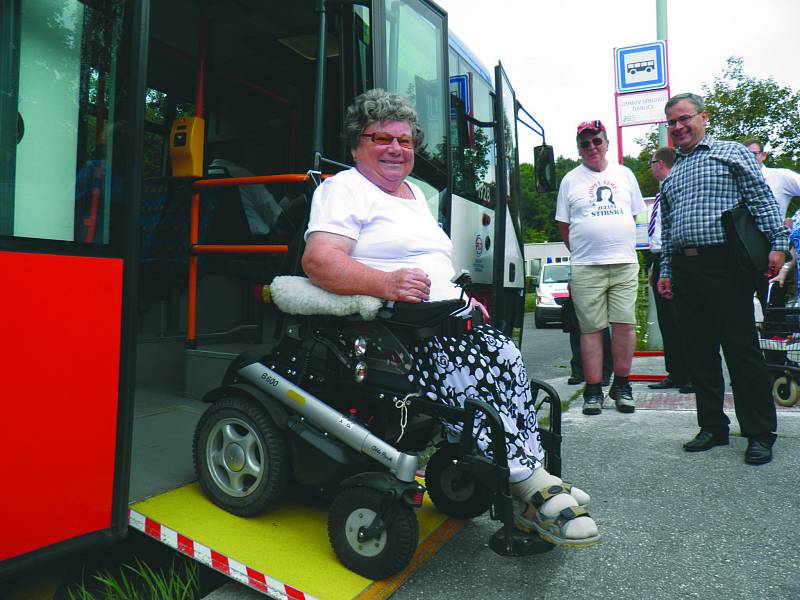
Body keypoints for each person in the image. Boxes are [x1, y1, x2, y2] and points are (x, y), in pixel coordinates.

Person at [301, 89, 600, 547]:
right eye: (381, 138)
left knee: (506, 360)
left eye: (405, 141)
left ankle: (531, 472)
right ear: (356, 145)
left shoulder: (415, 195)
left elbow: (432, 261)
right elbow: (319, 262)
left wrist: (459, 296)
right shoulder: (342, 190)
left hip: (444, 315)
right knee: (473, 380)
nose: (396, 149)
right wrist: (386, 284)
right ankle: (525, 484)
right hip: (400, 329)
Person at [657, 92, 787, 465]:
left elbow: (761, 199)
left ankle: (760, 432)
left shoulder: (730, 153)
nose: (679, 127)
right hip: (685, 268)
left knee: (740, 349)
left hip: (726, 265)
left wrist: (778, 244)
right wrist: (666, 270)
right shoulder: (672, 175)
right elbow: (668, 230)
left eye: (685, 119)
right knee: (699, 353)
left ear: (703, 117)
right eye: (672, 123)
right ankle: (713, 426)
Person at [555, 120, 646, 415]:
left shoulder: (625, 174)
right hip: (586, 266)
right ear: (579, 148)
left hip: (623, 263)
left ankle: (622, 385)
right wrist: (585, 249)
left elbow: (636, 215)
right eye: (585, 143)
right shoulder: (570, 180)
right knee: (591, 330)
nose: (592, 147)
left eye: (597, 141)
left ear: (607, 143)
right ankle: (593, 390)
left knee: (624, 325)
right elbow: (563, 225)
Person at [646, 147, 694, 394]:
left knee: (682, 319)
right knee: (667, 320)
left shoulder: (679, 188)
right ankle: (676, 372)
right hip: (658, 258)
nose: (650, 166)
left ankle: (693, 375)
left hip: (674, 258)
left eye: (652, 162)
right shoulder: (661, 192)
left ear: (661, 163)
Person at [743, 138, 800, 313]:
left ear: (764, 155)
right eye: (744, 155)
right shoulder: (736, 181)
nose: (749, 158)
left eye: (753, 154)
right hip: (742, 250)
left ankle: (776, 336)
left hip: (773, 248)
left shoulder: (780, 176)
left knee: (773, 306)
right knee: (741, 305)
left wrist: (795, 221)